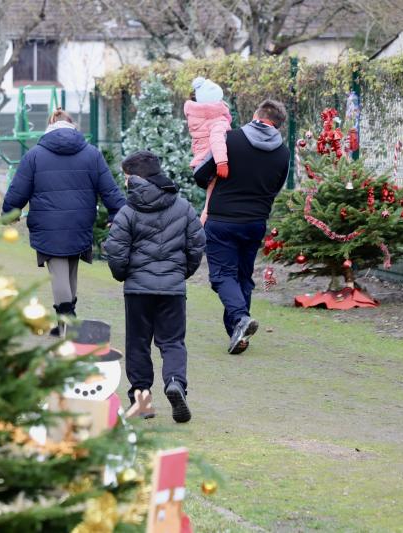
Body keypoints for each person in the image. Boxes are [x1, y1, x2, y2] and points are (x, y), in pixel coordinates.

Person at [2, 109, 125, 335]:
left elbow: (19, 188)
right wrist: (117, 213)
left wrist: (10, 211)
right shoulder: (91, 154)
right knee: (70, 272)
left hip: (48, 224)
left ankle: (69, 320)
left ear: (50, 126)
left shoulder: (35, 155)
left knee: (58, 273)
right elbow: (109, 189)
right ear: (73, 126)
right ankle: (63, 325)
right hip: (80, 221)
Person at [104, 151, 205, 423]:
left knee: (138, 344)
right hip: (172, 289)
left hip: (138, 290)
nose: (125, 182)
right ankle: (175, 383)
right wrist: (180, 273)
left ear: (136, 178)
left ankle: (142, 400)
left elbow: (115, 250)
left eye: (126, 177)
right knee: (172, 342)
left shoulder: (128, 211)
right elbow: (197, 245)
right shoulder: (183, 207)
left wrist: (124, 274)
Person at [194, 99, 290, 355]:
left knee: (222, 276)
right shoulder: (283, 152)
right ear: (279, 124)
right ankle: (238, 334)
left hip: (222, 220)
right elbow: (276, 188)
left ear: (255, 114)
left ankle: (239, 320)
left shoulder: (228, 139)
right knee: (242, 278)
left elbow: (200, 174)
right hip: (255, 223)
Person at [183, 77, 233, 225]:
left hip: (201, 160)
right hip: (212, 162)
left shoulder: (197, 115)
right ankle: (202, 230)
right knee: (210, 205)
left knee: (211, 200)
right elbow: (217, 140)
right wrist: (222, 162)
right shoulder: (217, 120)